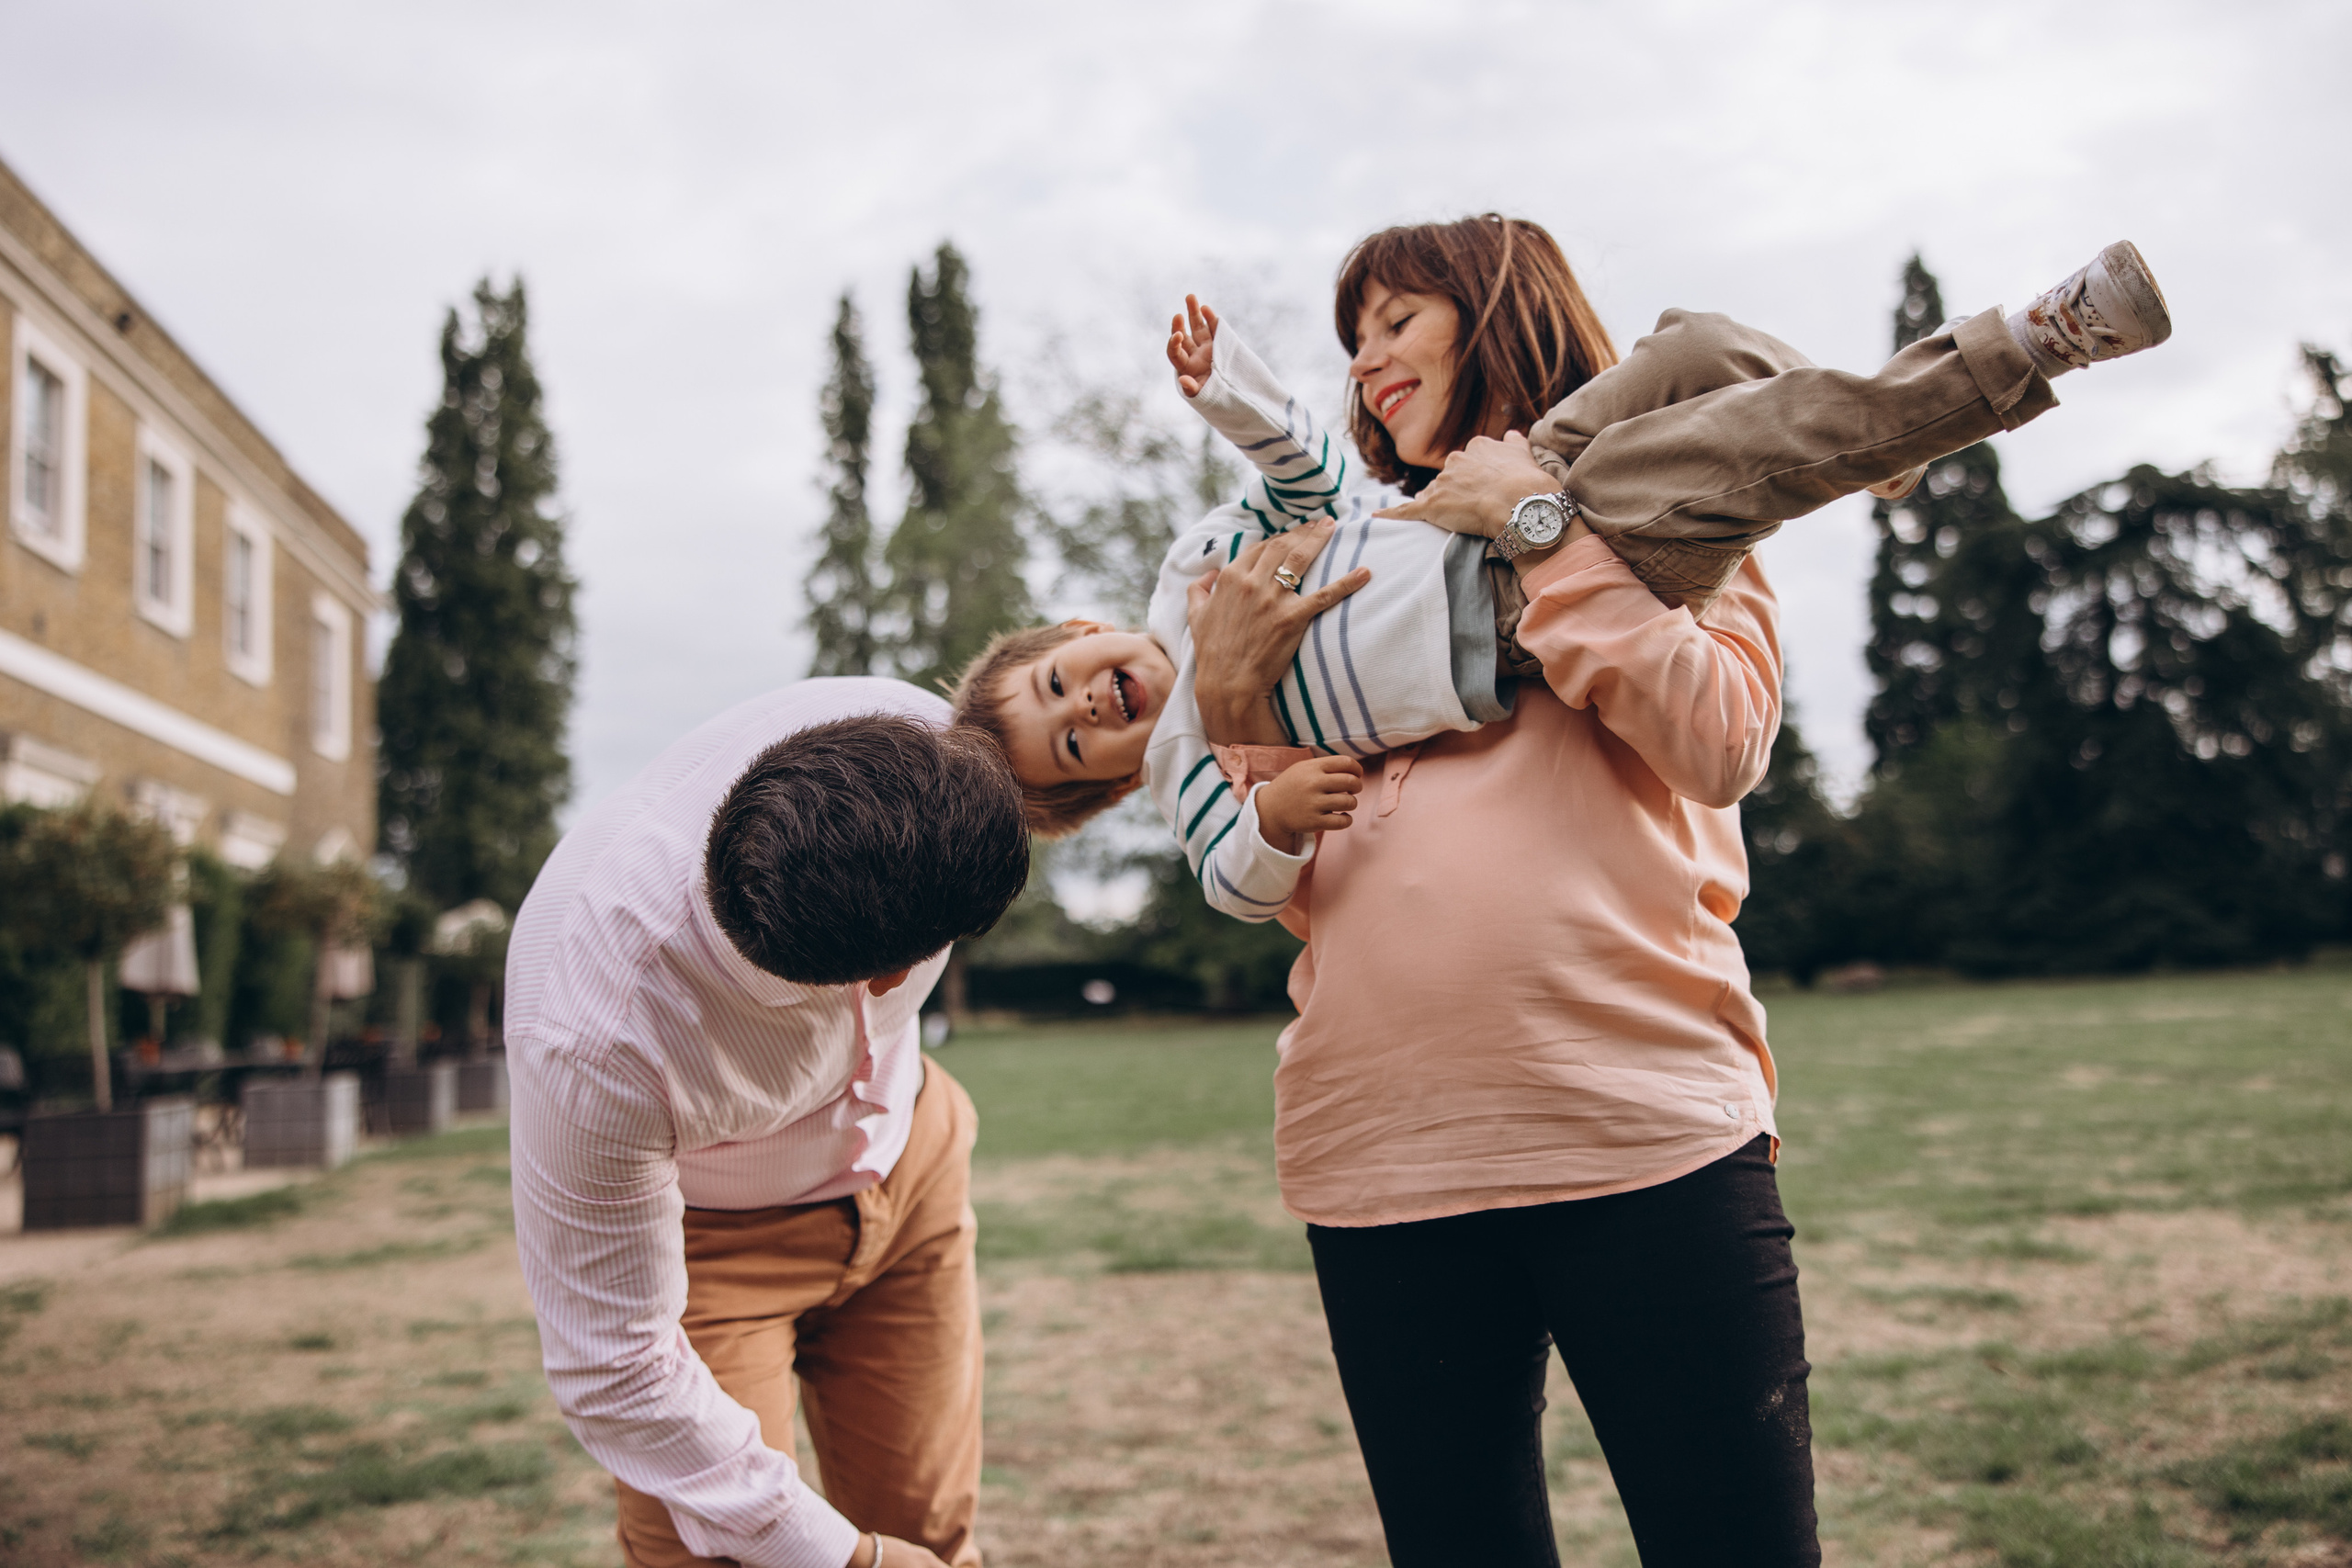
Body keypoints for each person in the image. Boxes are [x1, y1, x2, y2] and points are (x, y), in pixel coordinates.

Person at [1175, 214, 2143, 1565]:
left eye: (1398, 320)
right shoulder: (1346, 566)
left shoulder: (1680, 522)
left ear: (1496, 310)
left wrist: (1534, 527)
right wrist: (1231, 702)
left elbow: (1720, 740)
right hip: (1378, 1157)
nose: (1366, 364)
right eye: (1353, 342)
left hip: (1639, 1134)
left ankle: (1957, 388)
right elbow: (1294, 885)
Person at [949, 232, 2170, 936]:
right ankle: (2024, 347)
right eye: (1071, 749)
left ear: (1076, 627)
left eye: (1057, 684)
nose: (1084, 712)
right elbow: (1239, 878)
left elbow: (1313, 484)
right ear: (1108, 788)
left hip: (1478, 510)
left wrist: (1233, 392)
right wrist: (1257, 772)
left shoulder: (1195, 565)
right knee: (1716, 446)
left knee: (1697, 343)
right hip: (1492, 610)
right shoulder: (1192, 770)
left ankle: (1873, 438)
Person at [503, 680, 1031, 1568]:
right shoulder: (591, 1039)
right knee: (720, 1558)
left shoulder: (919, 737)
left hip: (915, 1167)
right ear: (890, 974)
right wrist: (846, 1559)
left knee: (932, 1536)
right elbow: (617, 1367)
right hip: (710, 1245)